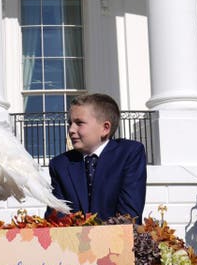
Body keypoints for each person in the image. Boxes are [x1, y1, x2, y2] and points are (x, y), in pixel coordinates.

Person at [46, 93, 146, 222]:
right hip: (73, 241)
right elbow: (55, 218)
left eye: (79, 123)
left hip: (116, 240)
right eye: (70, 123)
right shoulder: (60, 165)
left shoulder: (128, 154)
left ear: (105, 128)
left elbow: (129, 215)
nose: (71, 129)